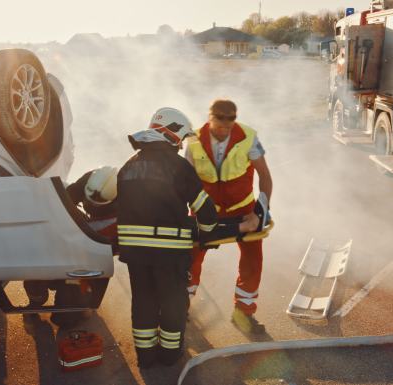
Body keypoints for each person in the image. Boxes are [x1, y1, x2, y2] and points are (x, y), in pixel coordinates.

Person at [116, 107, 257, 368]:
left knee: (143, 301)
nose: (181, 146)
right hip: (169, 252)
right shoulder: (178, 166)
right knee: (172, 303)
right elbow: (205, 212)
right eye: (181, 140)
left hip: (135, 253)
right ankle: (169, 355)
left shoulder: (128, 167)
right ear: (173, 135)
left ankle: (145, 357)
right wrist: (211, 232)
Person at [185, 99, 273, 335]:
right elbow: (184, 182)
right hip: (205, 210)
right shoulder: (192, 140)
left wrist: (259, 213)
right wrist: (183, 216)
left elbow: (265, 176)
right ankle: (180, 307)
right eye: (220, 117)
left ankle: (243, 313)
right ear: (209, 116)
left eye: (231, 117)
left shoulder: (248, 137)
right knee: (188, 258)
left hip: (242, 209)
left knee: (253, 259)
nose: (226, 123)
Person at [24, 166, 118, 327]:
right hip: (79, 228)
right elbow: (64, 200)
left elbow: (108, 254)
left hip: (98, 247)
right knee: (35, 275)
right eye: (89, 200)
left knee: (67, 319)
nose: (92, 205)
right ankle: (36, 301)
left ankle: (87, 303)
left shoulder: (128, 206)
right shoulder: (89, 180)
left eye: (98, 204)